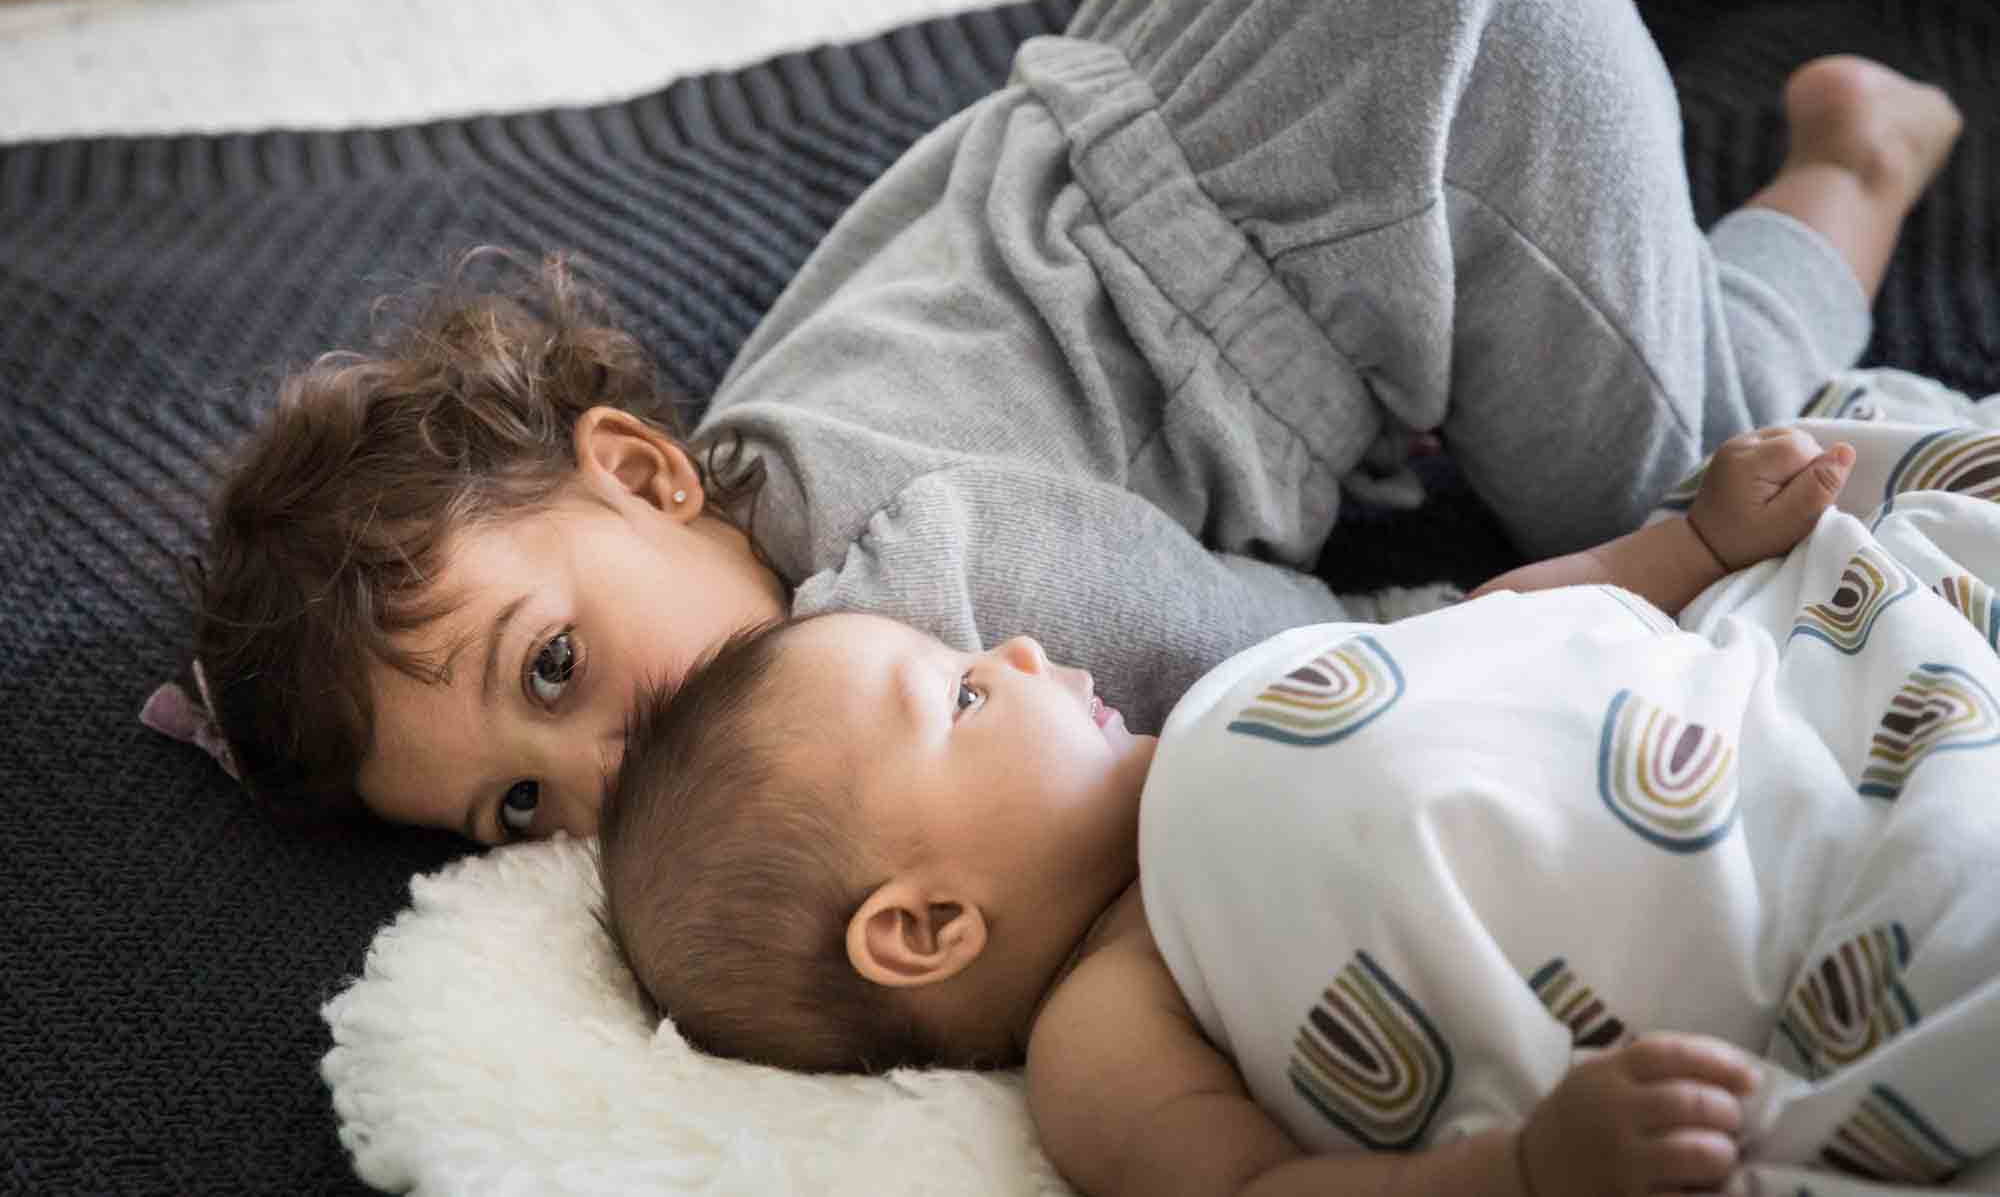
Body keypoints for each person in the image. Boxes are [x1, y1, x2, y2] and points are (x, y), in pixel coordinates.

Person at [168, 0, 1962, 842]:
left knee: (1709, 481)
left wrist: (1653, 557)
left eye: (552, 669)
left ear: (642, 469)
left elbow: (1334, 660)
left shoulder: (923, 589)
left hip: (1418, 96)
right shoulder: (739, 465)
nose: (601, 782)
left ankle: (1853, 158)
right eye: (509, 809)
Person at [594, 418, 2000, 1196]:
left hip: (1794, 712)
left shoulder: (1224, 703)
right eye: (960, 695)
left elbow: (1470, 633)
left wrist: (1684, 545)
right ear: (923, 927)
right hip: (1794, 915)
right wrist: (1525, 1172)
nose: (1014, 650)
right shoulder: (1104, 1031)